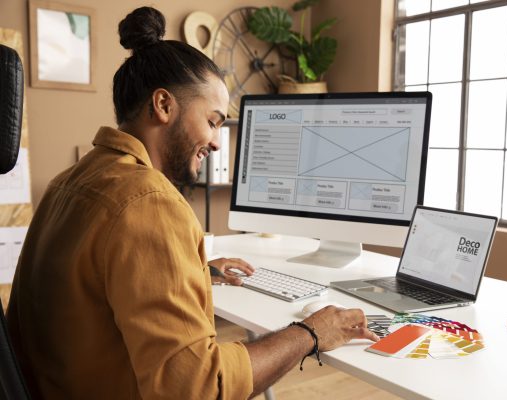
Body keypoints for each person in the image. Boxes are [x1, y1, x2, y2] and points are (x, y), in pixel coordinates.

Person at [7, 6, 378, 400]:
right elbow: (200, 389)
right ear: (164, 106)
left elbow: (96, 279)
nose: (218, 141)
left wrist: (193, 267)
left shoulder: (70, 181)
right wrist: (310, 333)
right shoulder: (150, 203)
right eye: (213, 120)